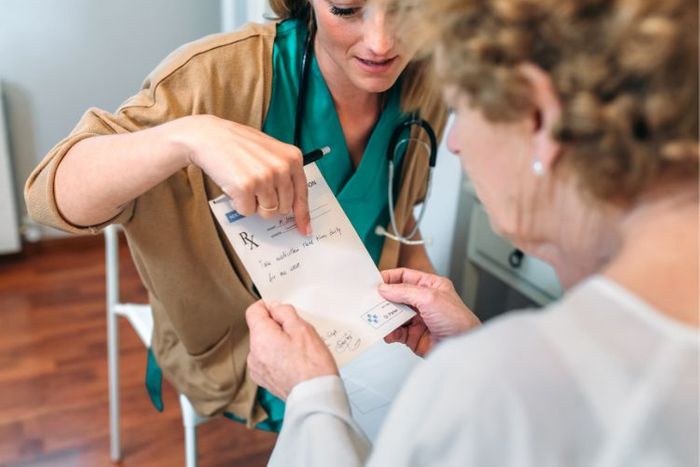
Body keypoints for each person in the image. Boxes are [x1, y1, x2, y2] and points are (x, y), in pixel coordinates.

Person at [246, 0, 699, 463]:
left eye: (462, 109)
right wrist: (475, 344)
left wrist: (312, 402)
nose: (456, 143)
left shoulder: (491, 392)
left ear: (540, 116)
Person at [24, 0, 447, 430]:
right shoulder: (215, 76)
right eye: (346, 9)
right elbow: (48, 196)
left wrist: (434, 308)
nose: (381, 42)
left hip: (371, 327)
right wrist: (189, 136)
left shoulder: (424, 80)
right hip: (236, 350)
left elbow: (398, 212)